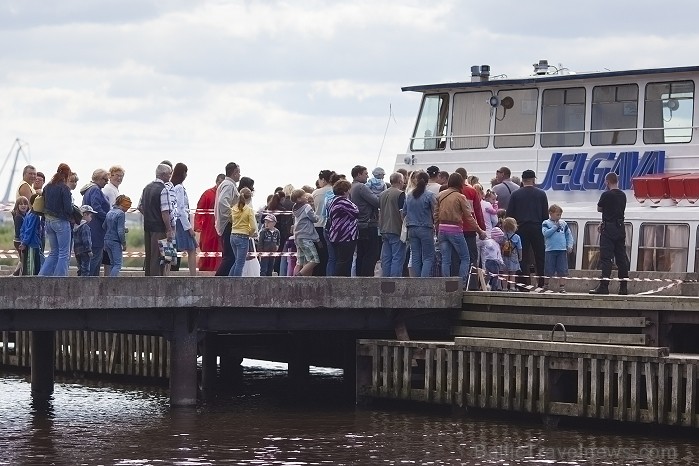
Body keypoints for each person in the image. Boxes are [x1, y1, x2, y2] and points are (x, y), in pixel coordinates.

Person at [435, 172, 486, 287]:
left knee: (446, 259)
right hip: (455, 230)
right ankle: (461, 285)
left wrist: (437, 228)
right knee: (465, 258)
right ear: (460, 183)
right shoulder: (460, 197)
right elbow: (469, 217)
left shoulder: (440, 195)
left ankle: (446, 284)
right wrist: (480, 231)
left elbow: (436, 215)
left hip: (442, 230)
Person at [506, 169, 548, 289]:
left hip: (520, 228)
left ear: (523, 180)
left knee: (522, 256)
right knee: (540, 256)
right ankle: (541, 283)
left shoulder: (515, 194)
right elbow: (545, 215)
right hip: (537, 227)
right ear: (533, 180)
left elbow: (510, 214)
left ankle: (524, 284)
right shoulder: (541, 194)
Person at [590, 172, 630, 295]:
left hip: (609, 229)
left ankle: (604, 286)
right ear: (617, 181)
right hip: (620, 227)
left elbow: (599, 208)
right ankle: (623, 288)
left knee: (606, 258)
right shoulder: (623, 195)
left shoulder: (606, 195)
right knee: (621, 258)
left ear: (607, 182)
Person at [138, 163, 175, 276]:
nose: (170, 176)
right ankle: (157, 284)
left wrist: (149, 215)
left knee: (149, 256)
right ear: (164, 175)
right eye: (169, 174)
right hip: (160, 228)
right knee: (160, 258)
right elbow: (165, 212)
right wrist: (169, 229)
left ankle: (147, 282)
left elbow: (140, 207)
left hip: (148, 227)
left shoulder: (146, 188)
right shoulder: (164, 189)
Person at [38, 163, 74, 277]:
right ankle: (60, 280)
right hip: (61, 222)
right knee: (64, 253)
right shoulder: (64, 188)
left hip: (48, 222)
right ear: (67, 174)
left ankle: (41, 278)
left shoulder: (47, 186)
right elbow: (68, 208)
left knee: (53, 252)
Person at [403, 172, 436, 277]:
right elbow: (435, 212)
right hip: (426, 228)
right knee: (428, 257)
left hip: (411, 228)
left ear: (416, 181)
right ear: (427, 182)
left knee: (415, 256)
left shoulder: (409, 195)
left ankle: (416, 282)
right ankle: (423, 281)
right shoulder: (430, 195)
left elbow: (404, 212)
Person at [350, 165, 380, 277]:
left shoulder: (351, 187)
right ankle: (367, 279)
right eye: (366, 173)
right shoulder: (361, 187)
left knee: (361, 254)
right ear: (359, 174)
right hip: (367, 224)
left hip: (357, 224)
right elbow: (376, 202)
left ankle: (359, 278)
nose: (368, 176)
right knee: (371, 254)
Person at [80, 169, 111, 276]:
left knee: (94, 259)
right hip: (96, 230)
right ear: (98, 178)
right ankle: (90, 283)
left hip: (92, 228)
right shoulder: (95, 190)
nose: (107, 181)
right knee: (95, 259)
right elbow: (96, 207)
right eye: (105, 179)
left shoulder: (89, 189)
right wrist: (109, 218)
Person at [326, 180, 359, 277]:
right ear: (345, 191)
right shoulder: (343, 201)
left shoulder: (330, 201)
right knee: (345, 261)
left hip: (334, 234)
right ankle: (341, 282)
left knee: (337, 259)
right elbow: (356, 212)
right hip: (345, 235)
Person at [194, 174, 224, 272]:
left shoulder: (226, 194)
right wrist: (198, 225)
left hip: (222, 228)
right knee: (207, 247)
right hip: (209, 228)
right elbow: (200, 209)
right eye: (220, 183)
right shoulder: (208, 194)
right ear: (217, 182)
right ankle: (205, 270)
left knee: (220, 249)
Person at [214, 162, 241, 276]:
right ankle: (218, 281)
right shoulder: (229, 185)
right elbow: (222, 202)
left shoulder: (225, 184)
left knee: (229, 256)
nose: (239, 175)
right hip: (229, 224)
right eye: (238, 172)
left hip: (226, 223)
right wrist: (233, 216)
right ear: (234, 173)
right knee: (230, 257)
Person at [172, 163, 198, 276]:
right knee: (192, 249)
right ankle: (193, 275)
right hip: (181, 222)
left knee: (172, 249)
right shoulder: (179, 188)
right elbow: (181, 209)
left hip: (177, 221)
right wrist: (189, 228)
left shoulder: (174, 187)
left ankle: (166, 274)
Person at [378, 172, 406, 277]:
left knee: (386, 258)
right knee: (397, 257)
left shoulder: (382, 194)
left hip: (384, 229)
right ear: (400, 181)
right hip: (396, 229)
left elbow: (380, 213)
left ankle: (385, 280)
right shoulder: (400, 194)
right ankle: (395, 281)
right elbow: (402, 213)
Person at [542, 204, 575, 293]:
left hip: (562, 250)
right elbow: (545, 234)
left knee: (562, 270)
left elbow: (569, 235)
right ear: (550, 213)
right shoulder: (546, 223)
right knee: (548, 269)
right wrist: (554, 227)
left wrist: (569, 245)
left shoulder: (564, 224)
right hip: (550, 250)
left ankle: (562, 287)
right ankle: (546, 286)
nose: (559, 217)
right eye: (557, 214)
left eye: (560, 215)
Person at [228, 187, 257, 277]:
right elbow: (253, 227)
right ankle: (236, 284)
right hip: (243, 237)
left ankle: (228, 280)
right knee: (240, 263)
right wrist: (250, 233)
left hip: (233, 235)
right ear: (250, 198)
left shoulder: (234, 208)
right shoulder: (249, 210)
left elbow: (230, 220)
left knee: (237, 261)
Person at [291, 189, 320, 276]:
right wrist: (318, 216)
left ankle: (298, 281)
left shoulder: (295, 208)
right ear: (299, 199)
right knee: (314, 260)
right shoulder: (306, 207)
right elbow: (314, 218)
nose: (306, 197)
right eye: (304, 196)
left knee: (301, 261)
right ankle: (299, 275)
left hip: (298, 237)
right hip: (306, 236)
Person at [312, 169, 334, 276]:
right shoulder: (335, 191)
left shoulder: (316, 193)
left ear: (323, 180)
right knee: (330, 255)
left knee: (319, 255)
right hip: (331, 225)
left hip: (318, 225)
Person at [103, 195, 131, 277]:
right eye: (127, 206)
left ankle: (110, 284)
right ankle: (111, 284)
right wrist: (124, 243)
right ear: (123, 205)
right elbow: (120, 231)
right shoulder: (121, 213)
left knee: (112, 264)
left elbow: (104, 226)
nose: (127, 209)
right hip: (115, 241)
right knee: (118, 265)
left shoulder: (109, 212)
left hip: (106, 240)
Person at [18, 194, 44, 276]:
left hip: (28, 243)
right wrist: (24, 243)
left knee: (28, 266)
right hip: (33, 244)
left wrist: (23, 241)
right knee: (32, 268)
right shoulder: (35, 215)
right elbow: (30, 230)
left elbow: (23, 229)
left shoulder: (28, 213)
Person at [73, 205, 97, 277]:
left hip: (77, 250)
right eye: (90, 215)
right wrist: (89, 250)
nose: (91, 218)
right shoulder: (85, 227)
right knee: (85, 269)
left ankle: (78, 282)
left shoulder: (75, 226)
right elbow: (86, 240)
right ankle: (84, 283)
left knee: (80, 267)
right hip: (84, 251)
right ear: (85, 215)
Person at [500, 217, 523, 292]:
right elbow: (519, 248)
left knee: (505, 273)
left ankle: (504, 287)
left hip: (504, 256)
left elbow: (500, 245)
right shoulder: (517, 237)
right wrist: (520, 257)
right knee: (513, 273)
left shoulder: (503, 236)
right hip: (513, 256)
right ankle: (512, 287)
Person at [480, 226, 505, 291]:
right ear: (495, 237)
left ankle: (483, 286)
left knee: (488, 275)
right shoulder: (490, 241)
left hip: (490, 261)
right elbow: (488, 244)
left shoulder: (497, 244)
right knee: (495, 275)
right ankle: (494, 288)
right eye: (499, 237)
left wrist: (501, 261)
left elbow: (498, 254)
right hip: (492, 261)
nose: (500, 239)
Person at [11, 196, 30, 276]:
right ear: (17, 206)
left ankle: (15, 274)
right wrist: (23, 243)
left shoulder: (24, 215)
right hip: (19, 241)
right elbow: (19, 231)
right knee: (23, 260)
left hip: (20, 241)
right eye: (21, 204)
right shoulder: (18, 217)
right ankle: (16, 275)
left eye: (25, 204)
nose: (23, 206)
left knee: (22, 260)